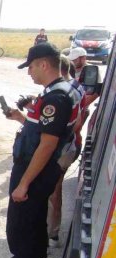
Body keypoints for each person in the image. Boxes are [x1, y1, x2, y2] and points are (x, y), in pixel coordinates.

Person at [0, 43, 74, 258]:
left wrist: (23, 184)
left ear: (44, 64)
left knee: (21, 227)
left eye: (31, 67)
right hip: (38, 168)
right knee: (32, 224)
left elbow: (47, 145)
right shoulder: (60, 90)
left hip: (35, 170)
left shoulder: (55, 98)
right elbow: (43, 132)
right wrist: (20, 119)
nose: (29, 73)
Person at [46, 55, 86, 247]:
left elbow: (75, 122)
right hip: (72, 144)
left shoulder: (62, 92)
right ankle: (51, 231)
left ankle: (52, 233)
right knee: (54, 189)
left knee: (53, 191)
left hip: (62, 148)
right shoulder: (77, 87)